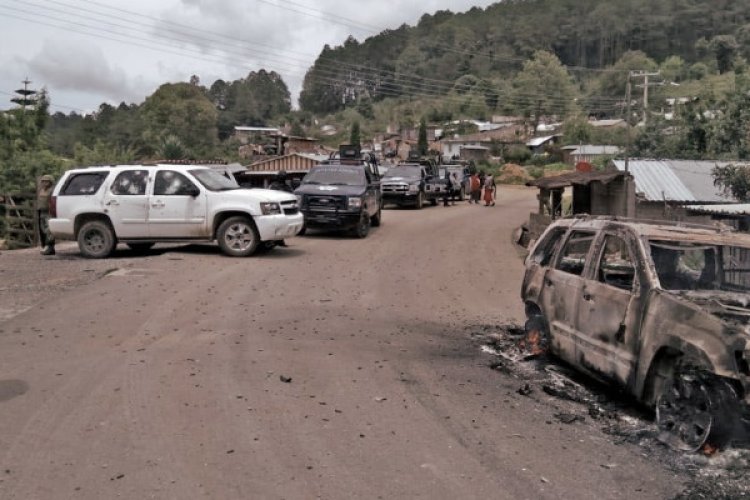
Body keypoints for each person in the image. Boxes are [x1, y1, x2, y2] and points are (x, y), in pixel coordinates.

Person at [37, 175, 56, 256]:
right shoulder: (41, 190)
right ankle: (45, 246)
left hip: (48, 212)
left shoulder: (52, 190)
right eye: (43, 181)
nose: (45, 183)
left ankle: (49, 246)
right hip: (41, 211)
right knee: (43, 229)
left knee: (49, 230)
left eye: (47, 181)